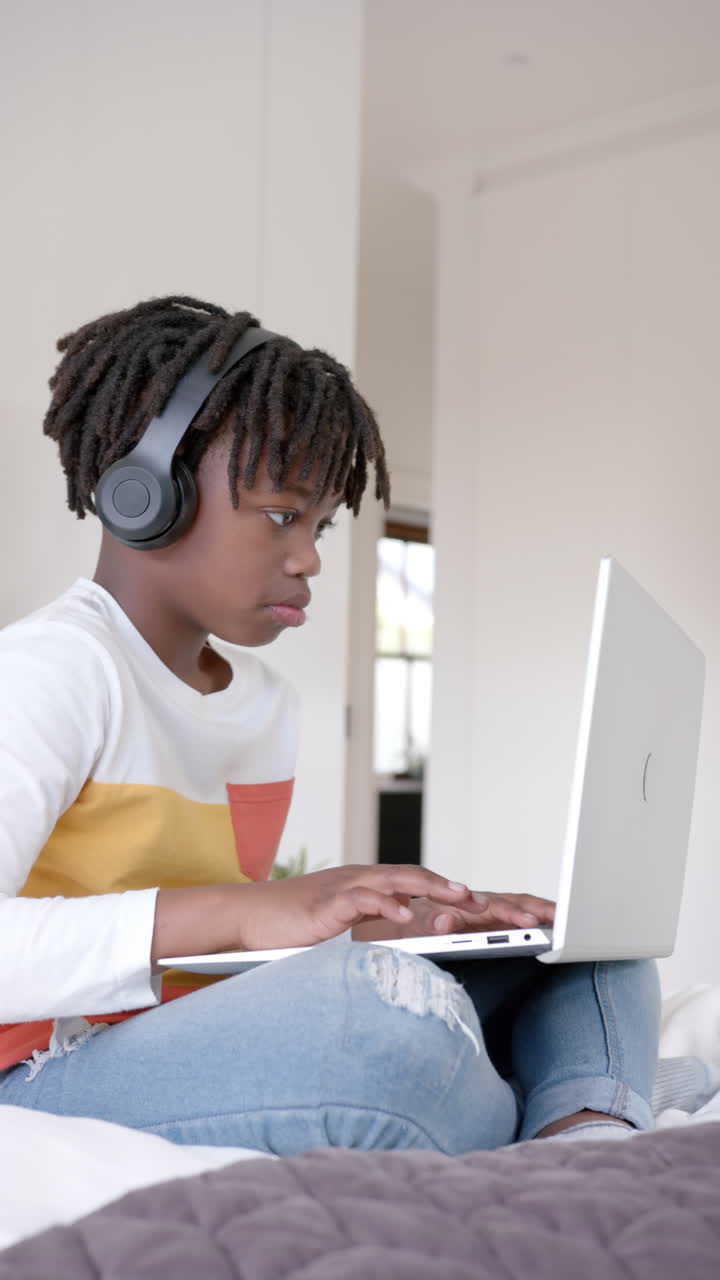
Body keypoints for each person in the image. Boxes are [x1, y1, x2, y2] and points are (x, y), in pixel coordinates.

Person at [0, 295, 662, 1153]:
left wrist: (398, 924)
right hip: (42, 1075)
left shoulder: (267, 706)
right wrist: (248, 912)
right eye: (282, 515)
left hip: (193, 1042)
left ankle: (584, 1132)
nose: (310, 556)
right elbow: (220, 927)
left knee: (585, 954)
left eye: (321, 525)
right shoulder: (53, 670)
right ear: (143, 491)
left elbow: (209, 969)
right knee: (374, 1029)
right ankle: (562, 1091)